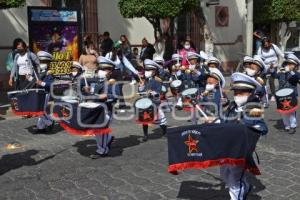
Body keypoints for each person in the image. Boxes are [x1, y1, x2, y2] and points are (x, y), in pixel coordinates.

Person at [219, 72, 268, 200]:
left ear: (251, 93)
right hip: (226, 148)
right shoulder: (231, 107)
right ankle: (245, 187)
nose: (237, 96)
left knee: (235, 178)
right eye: (236, 93)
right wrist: (216, 122)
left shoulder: (254, 108)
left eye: (242, 93)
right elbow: (224, 120)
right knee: (224, 174)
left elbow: (262, 128)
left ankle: (238, 196)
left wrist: (247, 127)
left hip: (240, 151)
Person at [82, 56, 119, 158]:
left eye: (104, 69)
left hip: (106, 110)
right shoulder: (96, 81)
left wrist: (107, 96)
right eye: (100, 68)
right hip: (96, 110)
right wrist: (87, 90)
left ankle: (102, 150)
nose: (101, 71)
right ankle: (108, 139)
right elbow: (93, 94)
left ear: (110, 71)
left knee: (101, 131)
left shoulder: (113, 83)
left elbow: (116, 96)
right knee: (96, 131)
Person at [138, 59, 167, 142]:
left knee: (161, 120)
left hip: (155, 103)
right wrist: (141, 87)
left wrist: (152, 92)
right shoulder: (144, 80)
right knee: (144, 120)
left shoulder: (158, 80)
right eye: (146, 69)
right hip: (145, 103)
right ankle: (145, 135)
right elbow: (140, 93)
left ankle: (165, 131)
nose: (147, 71)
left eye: (149, 70)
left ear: (154, 71)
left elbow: (161, 91)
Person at [106, 41, 139, 112]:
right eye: (118, 47)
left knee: (120, 89)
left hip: (118, 73)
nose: (119, 49)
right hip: (110, 72)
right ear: (114, 47)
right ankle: (109, 104)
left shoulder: (121, 55)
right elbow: (104, 63)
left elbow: (128, 64)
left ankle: (122, 105)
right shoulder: (109, 54)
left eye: (120, 47)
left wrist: (135, 71)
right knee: (110, 88)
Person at [273, 53, 300, 133]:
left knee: (291, 112)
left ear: (295, 66)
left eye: (291, 64)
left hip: (291, 95)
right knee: (284, 112)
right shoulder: (281, 73)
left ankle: (293, 126)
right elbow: (275, 75)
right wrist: (272, 69)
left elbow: (297, 78)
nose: (289, 65)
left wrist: (290, 72)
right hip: (281, 95)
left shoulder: (296, 73)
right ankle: (287, 126)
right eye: (287, 64)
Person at [257, 37, 284, 102]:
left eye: (267, 44)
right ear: (263, 45)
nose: (266, 46)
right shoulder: (260, 49)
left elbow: (281, 54)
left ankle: (273, 95)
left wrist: (285, 59)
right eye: (265, 45)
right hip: (265, 67)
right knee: (263, 82)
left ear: (269, 43)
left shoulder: (274, 47)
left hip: (273, 66)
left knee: (271, 81)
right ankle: (263, 95)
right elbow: (258, 58)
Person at [34, 51, 55, 133]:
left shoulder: (50, 72)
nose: (41, 63)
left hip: (45, 93)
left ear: (48, 63)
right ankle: (40, 127)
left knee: (40, 110)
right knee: (40, 110)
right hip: (38, 92)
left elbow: (51, 84)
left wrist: (41, 83)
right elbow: (35, 81)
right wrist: (29, 78)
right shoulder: (39, 72)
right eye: (40, 61)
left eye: (43, 62)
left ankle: (49, 122)